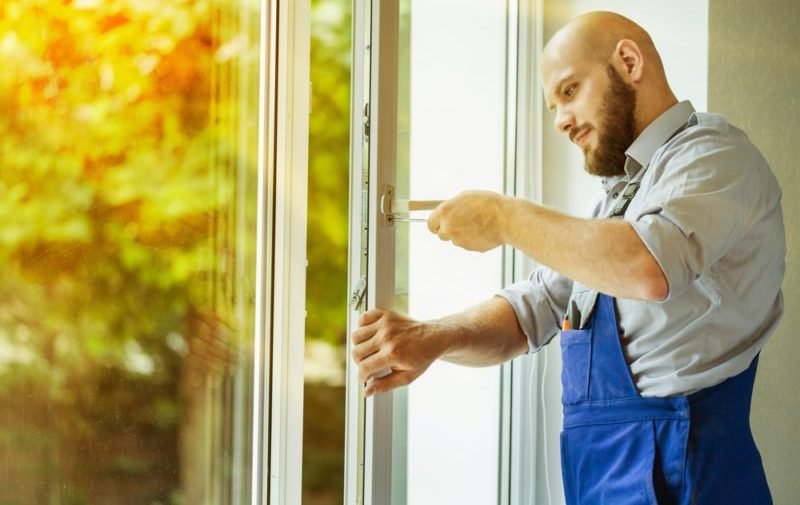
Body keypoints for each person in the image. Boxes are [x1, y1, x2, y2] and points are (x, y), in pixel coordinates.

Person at [350, 10, 784, 505]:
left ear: (628, 60)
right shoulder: (621, 200)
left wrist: (502, 217)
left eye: (570, 91)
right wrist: (431, 339)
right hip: (601, 473)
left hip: (686, 476)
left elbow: (648, 268)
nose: (560, 121)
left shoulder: (714, 157)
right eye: (552, 105)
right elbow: (533, 308)